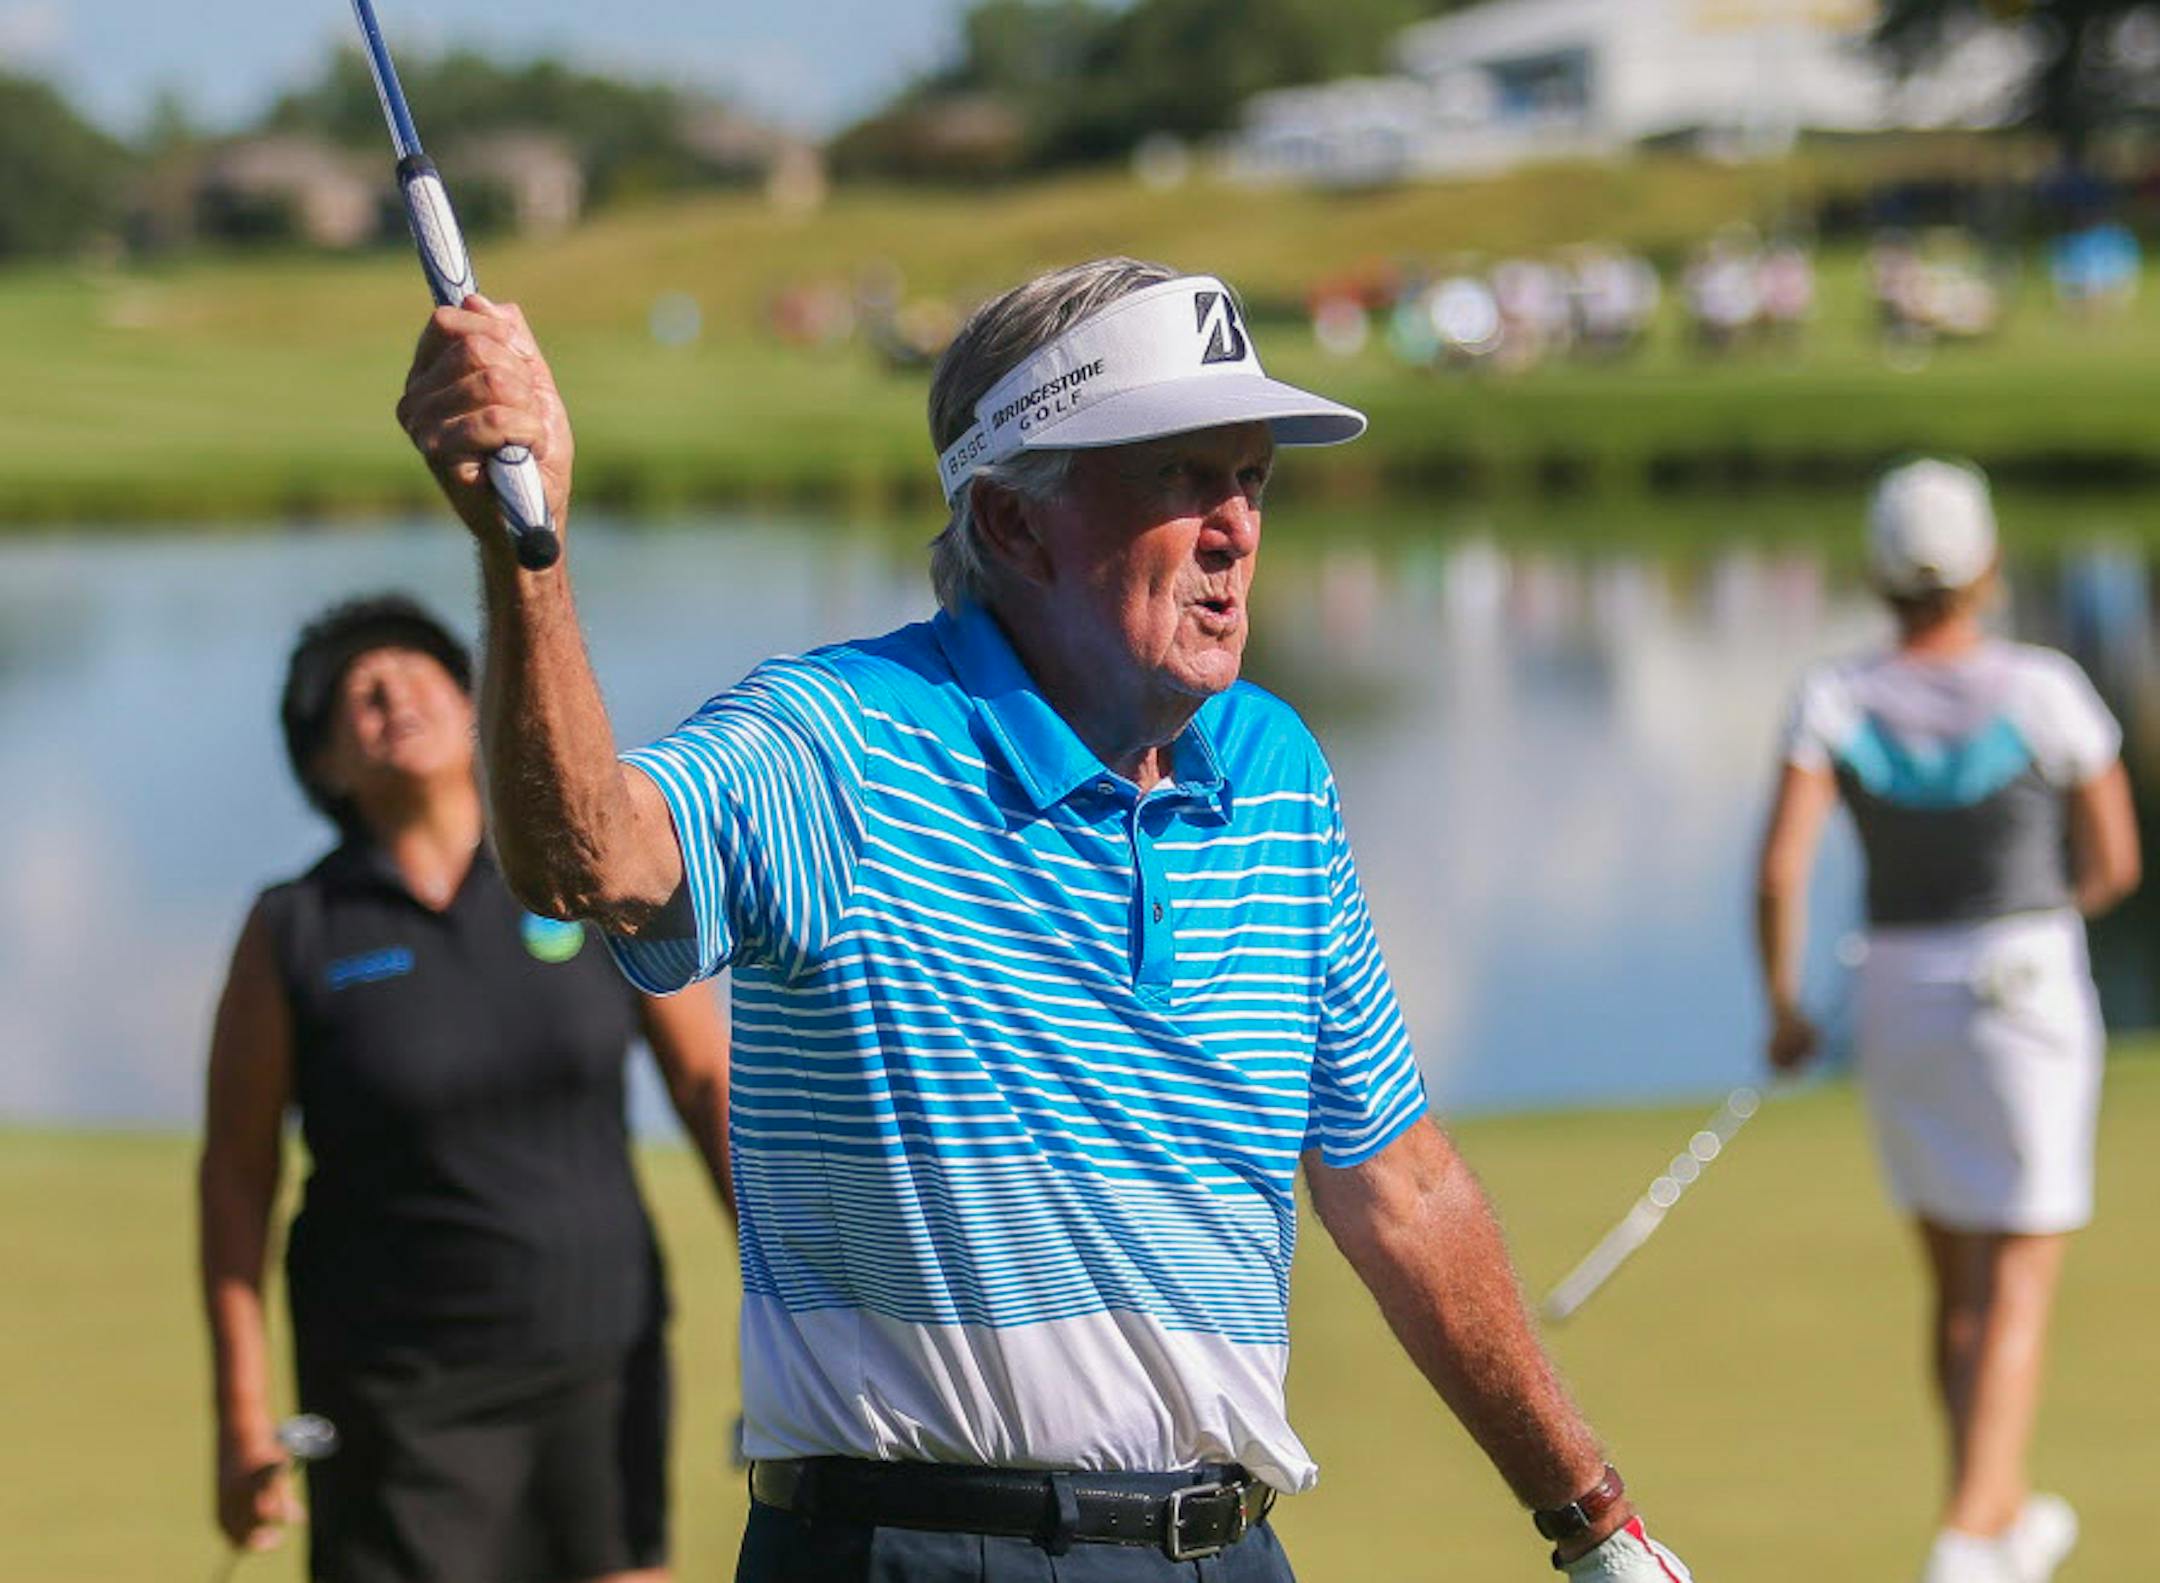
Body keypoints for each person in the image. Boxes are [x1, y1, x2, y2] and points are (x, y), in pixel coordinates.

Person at [394, 258, 1697, 1582]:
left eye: (1251, 476)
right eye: (1179, 475)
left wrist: (1594, 1520)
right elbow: (586, 859)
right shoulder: (839, 742)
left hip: (1229, 1550)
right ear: (1014, 524)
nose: (1235, 527)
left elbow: (1399, 1184)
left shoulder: (1276, 770)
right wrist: (524, 550)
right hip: (915, 1550)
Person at [197, 595, 735, 1583]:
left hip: (600, 1362)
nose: (394, 696)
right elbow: (237, 1173)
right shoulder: (295, 929)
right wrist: (242, 1412)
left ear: (475, 704)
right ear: (325, 765)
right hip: (393, 1393)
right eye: (360, 694)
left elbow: (708, 1085)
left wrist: (797, 1297)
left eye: (417, 672)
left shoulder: (585, 877)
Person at [1754, 460, 2140, 1583]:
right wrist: (2044, 916)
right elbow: (2114, 862)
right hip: (2026, 984)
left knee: (1960, 1286)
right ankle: (1969, 1540)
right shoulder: (2047, 687)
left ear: (1879, 574)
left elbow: (1780, 870)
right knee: (2020, 1275)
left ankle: (2001, 1516)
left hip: (1896, 991)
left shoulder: (1834, 695)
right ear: (1988, 567)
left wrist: (1784, 1008)